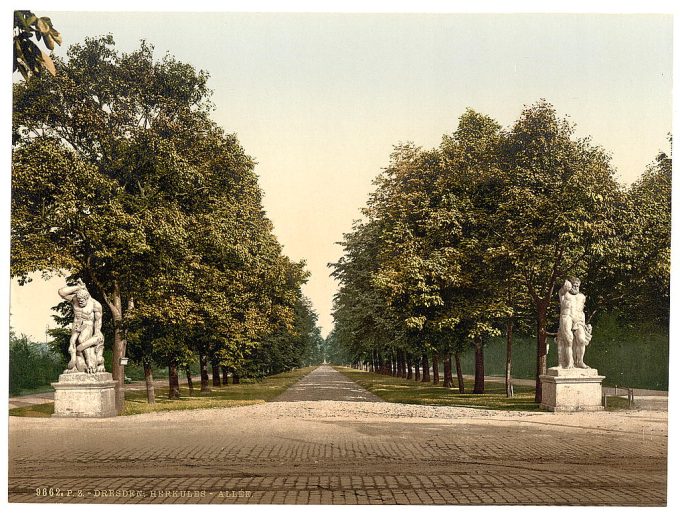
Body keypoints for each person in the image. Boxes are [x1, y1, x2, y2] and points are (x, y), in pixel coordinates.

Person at [58, 279, 105, 374]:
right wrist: (79, 287)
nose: (80, 302)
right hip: (76, 325)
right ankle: (76, 365)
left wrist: (97, 332)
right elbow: (61, 292)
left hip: (88, 325)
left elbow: (98, 321)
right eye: (79, 300)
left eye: (82, 301)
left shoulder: (95, 304)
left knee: (82, 340)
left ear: (87, 298)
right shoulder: (74, 299)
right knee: (72, 344)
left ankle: (89, 362)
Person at [556, 277, 592, 369]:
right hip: (567, 317)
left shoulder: (582, 297)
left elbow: (582, 311)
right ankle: (569, 363)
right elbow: (562, 291)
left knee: (581, 340)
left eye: (577, 286)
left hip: (579, 320)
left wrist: (584, 324)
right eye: (574, 285)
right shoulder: (564, 294)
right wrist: (566, 286)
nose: (576, 287)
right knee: (569, 340)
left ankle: (580, 362)